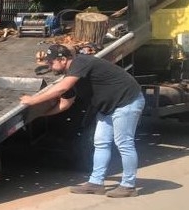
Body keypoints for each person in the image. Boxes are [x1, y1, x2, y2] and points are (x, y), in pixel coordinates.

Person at [20, 44, 145, 198]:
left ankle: (128, 186)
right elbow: (66, 102)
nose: (50, 66)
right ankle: (96, 183)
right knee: (100, 143)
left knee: (124, 143)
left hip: (127, 101)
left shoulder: (81, 62)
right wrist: (42, 115)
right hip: (108, 107)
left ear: (63, 59)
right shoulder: (72, 75)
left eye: (51, 62)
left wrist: (33, 100)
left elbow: (61, 89)